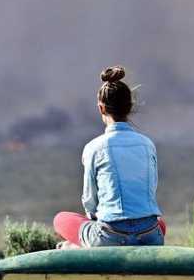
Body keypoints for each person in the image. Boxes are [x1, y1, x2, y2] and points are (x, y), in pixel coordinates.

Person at [54, 65, 166, 248]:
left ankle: (75, 247)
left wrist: (97, 221)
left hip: (110, 237)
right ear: (130, 106)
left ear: (101, 108)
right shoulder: (148, 144)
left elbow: (90, 202)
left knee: (61, 219)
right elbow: (150, 192)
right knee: (160, 223)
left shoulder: (94, 148)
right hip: (150, 237)